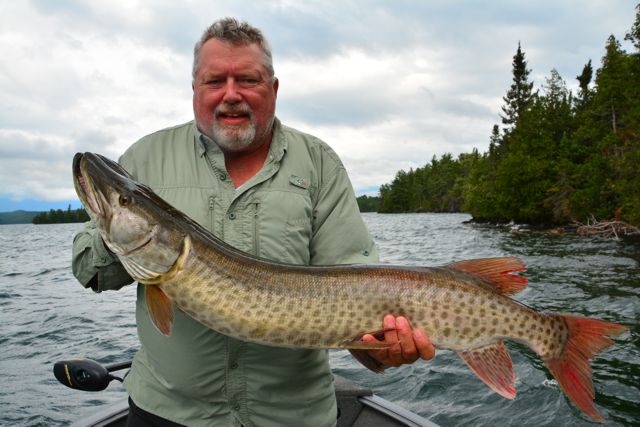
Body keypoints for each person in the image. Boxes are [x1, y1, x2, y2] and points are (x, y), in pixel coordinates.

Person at [72, 17, 435, 427]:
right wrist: (123, 232)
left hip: (293, 417)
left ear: (274, 89)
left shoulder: (319, 164)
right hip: (168, 413)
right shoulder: (144, 159)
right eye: (215, 81)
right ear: (195, 89)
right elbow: (89, 271)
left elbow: (356, 292)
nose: (231, 95)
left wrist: (382, 347)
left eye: (248, 79)